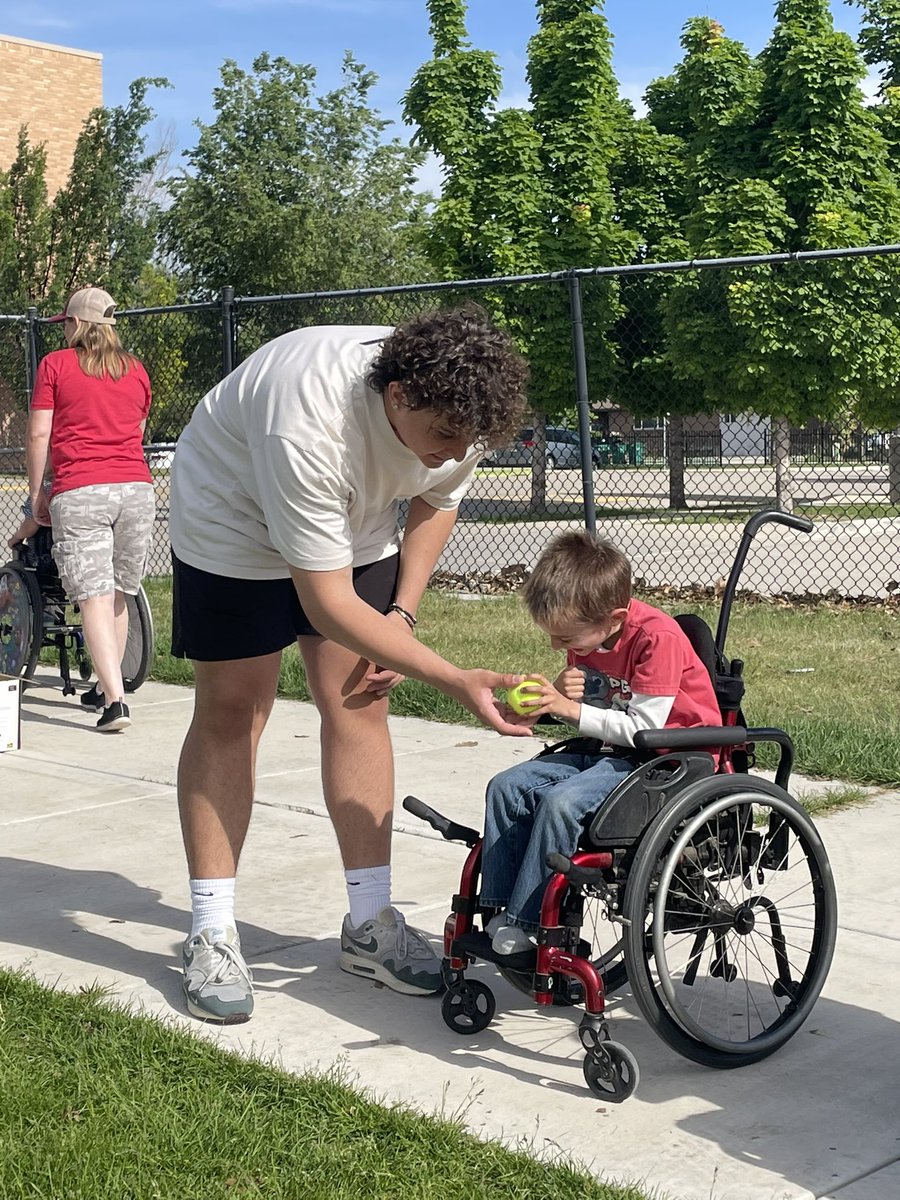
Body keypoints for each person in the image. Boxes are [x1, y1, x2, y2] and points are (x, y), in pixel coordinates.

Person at [168, 305, 532, 1024]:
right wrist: (455, 678)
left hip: (353, 521)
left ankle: (370, 924)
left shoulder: (463, 404)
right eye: (443, 437)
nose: (454, 451)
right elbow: (330, 605)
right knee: (236, 708)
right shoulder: (306, 419)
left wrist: (401, 616)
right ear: (399, 396)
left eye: (469, 442)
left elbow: (436, 499)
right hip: (231, 518)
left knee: (360, 698)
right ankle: (211, 931)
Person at [481, 530, 722, 955]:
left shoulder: (655, 639)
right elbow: (598, 699)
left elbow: (643, 729)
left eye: (566, 639)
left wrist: (569, 709)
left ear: (614, 619)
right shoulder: (590, 632)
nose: (559, 646)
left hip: (671, 757)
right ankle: (499, 910)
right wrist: (547, 702)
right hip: (617, 751)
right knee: (506, 786)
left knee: (563, 803)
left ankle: (527, 923)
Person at [25, 286, 155, 732]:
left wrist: (36, 492)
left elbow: (39, 434)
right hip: (137, 489)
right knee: (118, 593)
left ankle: (115, 702)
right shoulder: (135, 370)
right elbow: (136, 431)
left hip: (81, 489)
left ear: (77, 324)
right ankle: (106, 682)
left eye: (66, 324)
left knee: (92, 598)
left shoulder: (55, 366)